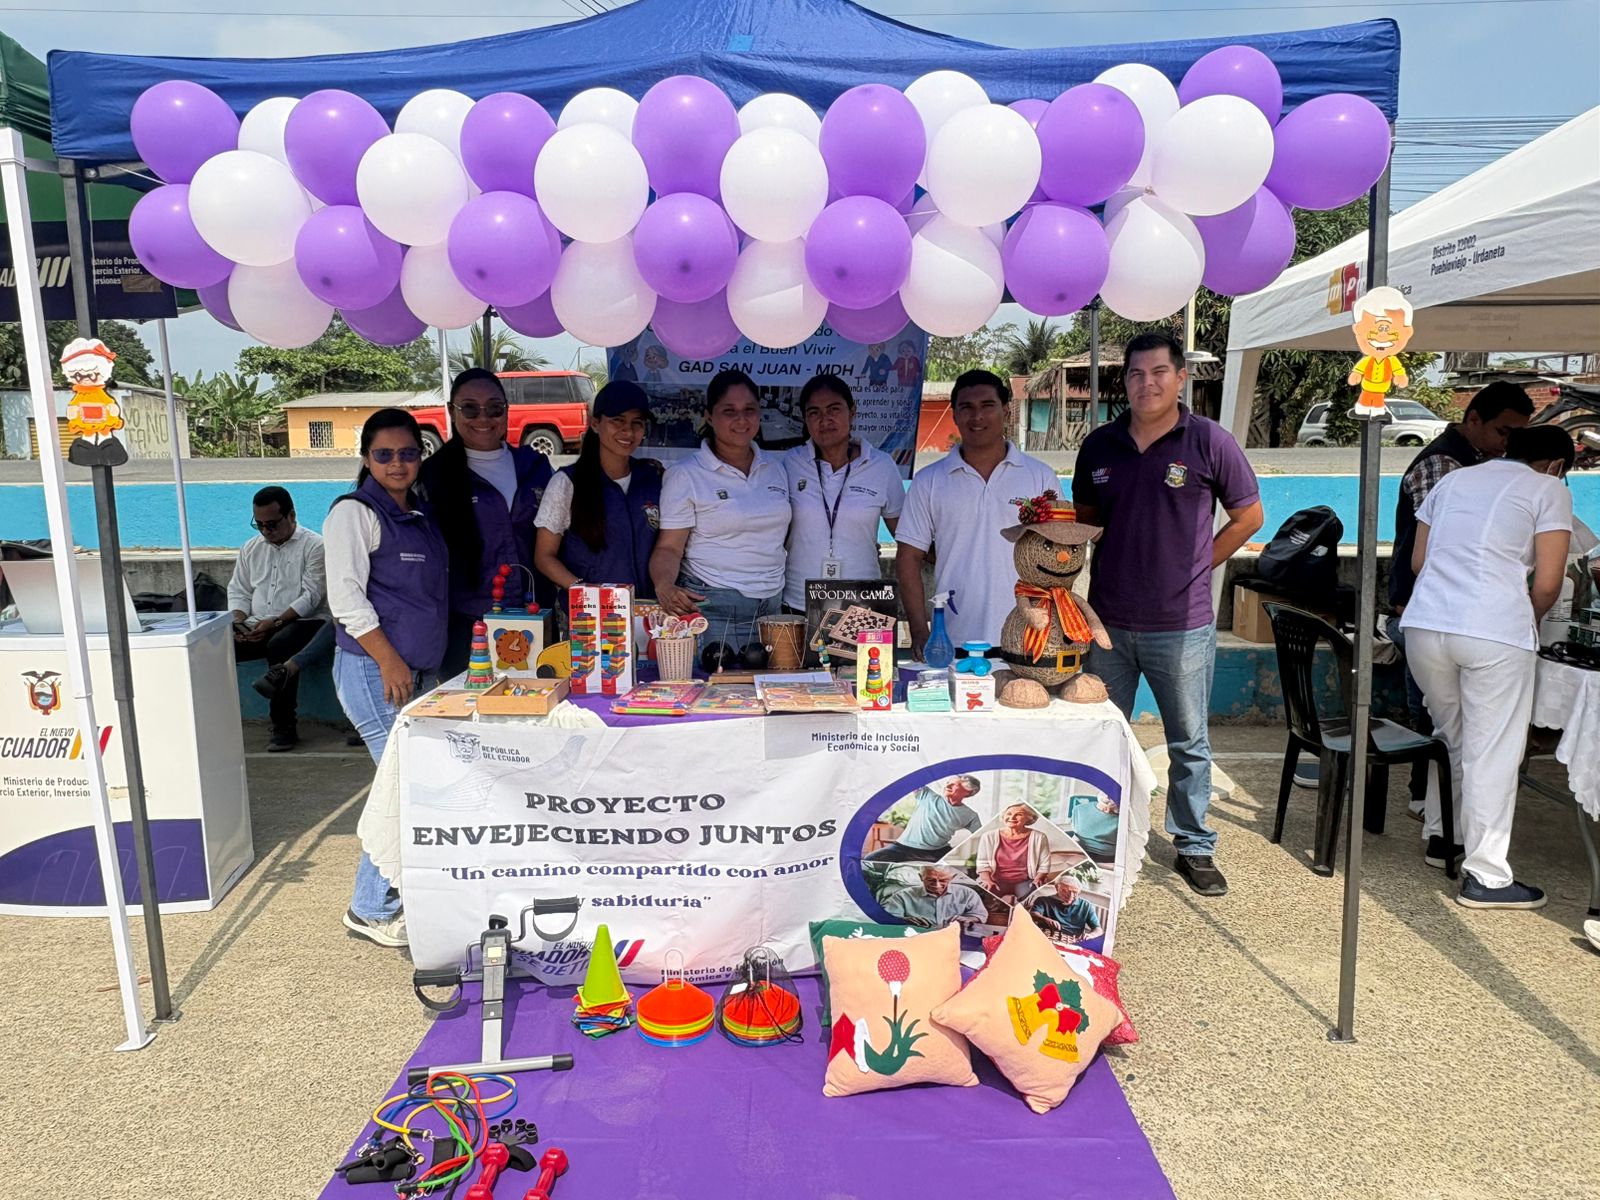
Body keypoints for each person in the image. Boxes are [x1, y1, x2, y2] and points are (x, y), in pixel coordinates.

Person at [1073, 332, 1263, 898]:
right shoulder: (1099, 446)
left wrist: (1199, 564)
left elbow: (1249, 517)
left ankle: (1193, 844)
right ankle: (1097, 836)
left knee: (1187, 740)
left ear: (1181, 378)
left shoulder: (1209, 441)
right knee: (1101, 735)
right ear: (1125, 381)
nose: (1147, 383)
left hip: (1181, 623)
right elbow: (1084, 525)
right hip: (1107, 623)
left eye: (1159, 372)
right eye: (1136, 373)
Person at [1400, 426, 1575, 910]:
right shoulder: (1549, 490)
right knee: (1492, 751)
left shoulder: (1452, 481)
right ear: (1556, 465)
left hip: (1426, 625)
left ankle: (1443, 838)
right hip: (1493, 630)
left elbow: (1418, 561)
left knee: (1451, 735)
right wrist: (1525, 619)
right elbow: (1549, 582)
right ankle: (1487, 876)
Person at [325, 408, 449, 949]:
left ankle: (391, 896)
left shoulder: (415, 512)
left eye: (408, 453)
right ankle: (371, 908)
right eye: (384, 454)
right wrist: (388, 660)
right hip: (375, 671)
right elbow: (345, 598)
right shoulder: (354, 513)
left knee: (406, 784)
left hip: (415, 672)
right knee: (404, 788)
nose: (397, 463)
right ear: (366, 458)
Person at [1386, 383, 1535, 814]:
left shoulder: (1478, 465)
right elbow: (1442, 548)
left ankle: (1444, 806)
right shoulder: (1444, 466)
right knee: (1437, 714)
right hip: (1431, 607)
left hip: (1448, 610)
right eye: (1504, 432)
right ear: (1473, 420)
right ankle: (1426, 798)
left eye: (1518, 435)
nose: (1510, 443)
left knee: (1447, 715)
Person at [896, 370, 1058, 654]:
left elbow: (1058, 554)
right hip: (953, 640)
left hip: (1027, 639)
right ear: (954, 415)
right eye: (967, 407)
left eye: (987, 405)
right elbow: (908, 557)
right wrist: (920, 630)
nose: (977, 416)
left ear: (1006, 411)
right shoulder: (929, 481)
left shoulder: (1040, 477)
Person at [417, 368, 552, 679]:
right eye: (470, 408)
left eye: (494, 408)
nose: (483, 418)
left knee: (539, 703)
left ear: (506, 411)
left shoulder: (535, 466)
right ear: (452, 411)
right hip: (467, 626)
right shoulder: (433, 476)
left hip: (535, 619)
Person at [650, 370, 791, 646]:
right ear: (709, 416)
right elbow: (669, 548)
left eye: (749, 409)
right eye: (729, 411)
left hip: (773, 608)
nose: (741, 419)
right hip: (713, 609)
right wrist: (664, 585)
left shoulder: (776, 468)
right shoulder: (686, 474)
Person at [533, 380, 663, 605]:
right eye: (617, 420)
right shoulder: (567, 482)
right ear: (595, 423)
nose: (628, 431)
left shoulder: (653, 478)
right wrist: (586, 593)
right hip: (590, 614)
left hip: (646, 612)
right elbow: (544, 556)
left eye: (637, 423)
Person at [781, 375, 903, 611]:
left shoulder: (881, 465)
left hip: (863, 602)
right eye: (814, 412)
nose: (824, 419)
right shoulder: (790, 463)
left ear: (852, 412)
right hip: (798, 601)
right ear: (805, 419)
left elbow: (906, 536)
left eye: (834, 409)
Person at [228, 485, 331, 753]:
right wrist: (238, 623)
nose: (266, 531)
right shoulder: (250, 548)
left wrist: (275, 623)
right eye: (259, 525)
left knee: (280, 644)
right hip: (257, 623)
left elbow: (312, 597)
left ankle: (284, 725)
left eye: (272, 524)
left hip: (305, 623)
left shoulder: (315, 546)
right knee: (212, 644)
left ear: (291, 516)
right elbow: (239, 591)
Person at [866, 776, 983, 863]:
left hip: (937, 851)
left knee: (963, 868)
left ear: (967, 791)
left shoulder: (970, 815)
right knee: (870, 860)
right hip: (904, 848)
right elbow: (913, 778)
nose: (947, 786)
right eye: (948, 783)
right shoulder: (927, 794)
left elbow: (982, 836)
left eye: (954, 785)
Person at [974, 803, 1052, 903]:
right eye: (1009, 814)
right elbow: (982, 863)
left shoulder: (1039, 837)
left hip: (1025, 881)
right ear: (1003, 816)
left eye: (1018, 814)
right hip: (995, 880)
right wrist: (987, 880)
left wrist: (1038, 879)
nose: (1012, 817)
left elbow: (1045, 864)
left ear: (1029, 818)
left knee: (1030, 902)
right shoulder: (988, 836)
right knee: (981, 899)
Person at [883, 865, 988, 930]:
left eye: (943, 880)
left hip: (955, 939)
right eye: (930, 880)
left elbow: (980, 915)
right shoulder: (903, 896)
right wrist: (906, 921)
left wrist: (968, 919)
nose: (937, 885)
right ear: (921, 877)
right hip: (917, 939)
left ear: (952, 878)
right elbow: (887, 920)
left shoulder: (967, 893)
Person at [1027, 878, 1102, 943]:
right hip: (1047, 938)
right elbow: (1033, 914)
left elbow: (1098, 929)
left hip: (1072, 941)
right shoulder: (1043, 900)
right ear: (1057, 888)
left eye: (1075, 892)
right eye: (1065, 891)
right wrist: (1045, 919)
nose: (1070, 896)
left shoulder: (1086, 905)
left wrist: (1091, 935)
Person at [1066, 793, 1121, 863]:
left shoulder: (1123, 819)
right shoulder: (1078, 809)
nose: (1107, 796)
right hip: (1079, 853)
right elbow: (1075, 836)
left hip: (1106, 859)